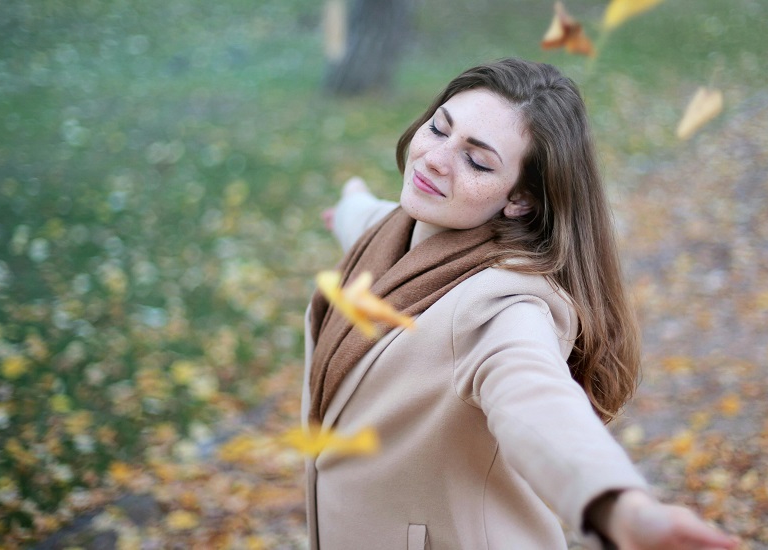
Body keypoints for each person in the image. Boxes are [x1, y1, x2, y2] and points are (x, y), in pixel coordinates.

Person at [305, 57, 737, 550]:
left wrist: (618, 506)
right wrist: (348, 205)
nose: (434, 159)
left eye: (477, 161)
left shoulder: (504, 303)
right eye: (439, 128)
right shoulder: (389, 230)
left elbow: (535, 398)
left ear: (520, 200)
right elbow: (365, 219)